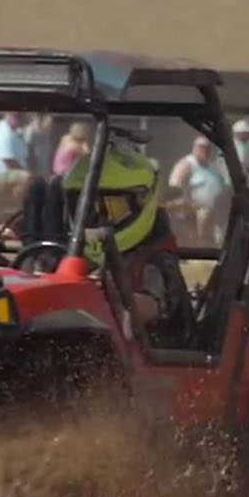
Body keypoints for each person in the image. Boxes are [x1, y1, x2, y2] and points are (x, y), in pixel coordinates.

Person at [63, 142, 191, 348]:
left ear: (141, 201)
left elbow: (148, 305)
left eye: (110, 209)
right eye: (87, 209)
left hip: (157, 355)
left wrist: (96, 303)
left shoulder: (156, 259)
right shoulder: (90, 254)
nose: (98, 220)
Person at [168, 135, 227, 244]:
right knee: (196, 237)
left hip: (214, 210)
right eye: (201, 147)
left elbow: (222, 184)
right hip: (193, 210)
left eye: (207, 148)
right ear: (194, 148)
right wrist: (186, 202)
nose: (204, 150)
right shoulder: (186, 164)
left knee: (211, 239)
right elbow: (174, 185)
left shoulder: (212, 166)